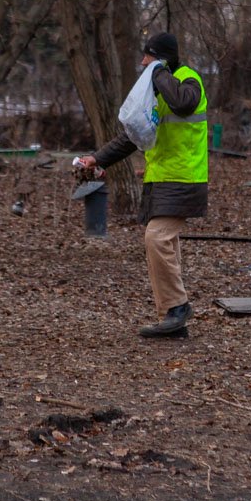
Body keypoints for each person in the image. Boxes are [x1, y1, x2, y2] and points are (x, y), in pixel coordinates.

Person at [79, 33, 207, 338]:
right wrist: (96, 160)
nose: (142, 63)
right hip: (161, 179)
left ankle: (177, 308)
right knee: (166, 246)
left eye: (147, 57)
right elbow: (132, 137)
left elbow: (184, 104)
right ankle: (171, 320)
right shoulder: (158, 89)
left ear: (161, 59)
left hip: (184, 179)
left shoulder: (189, 82)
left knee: (157, 239)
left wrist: (158, 72)